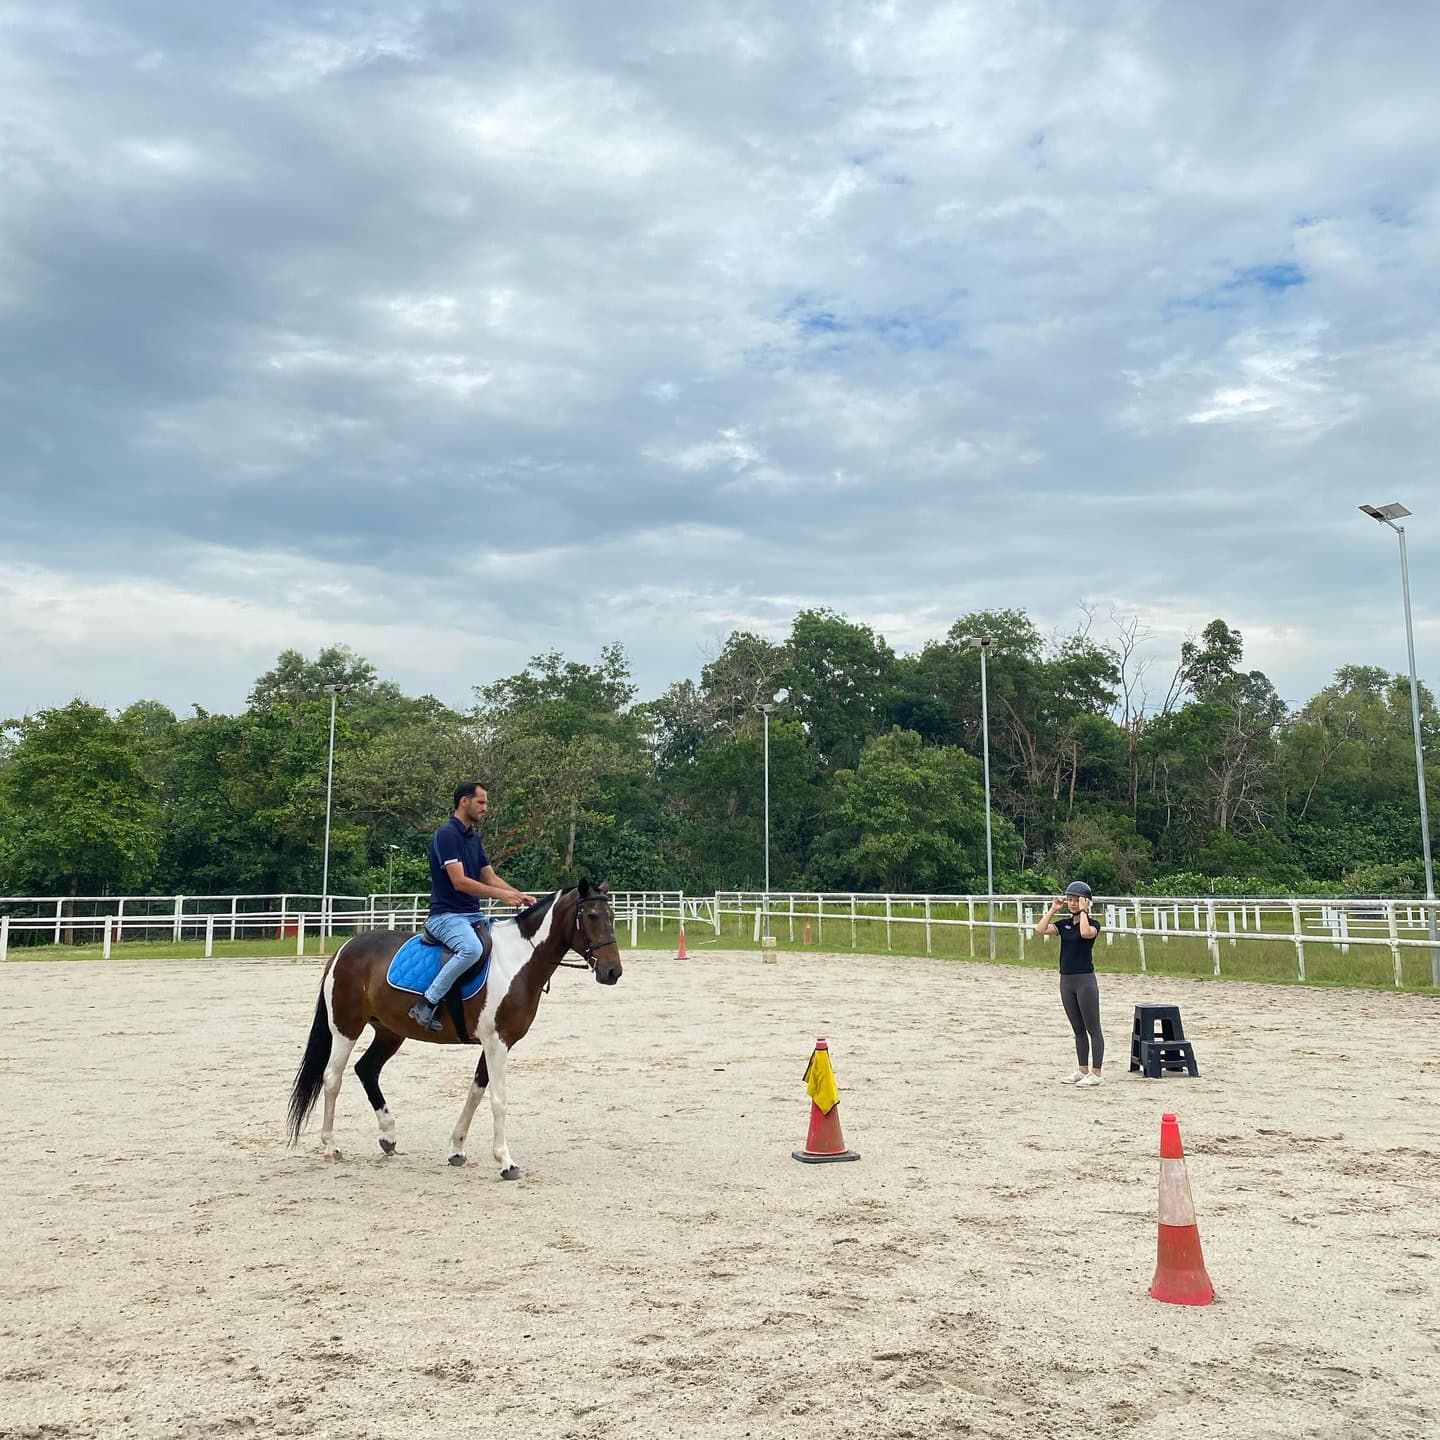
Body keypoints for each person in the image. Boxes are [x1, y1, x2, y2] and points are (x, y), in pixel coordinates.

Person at [408, 782, 536, 1032]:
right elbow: (460, 881)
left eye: (486, 803)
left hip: (472, 915)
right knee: (470, 949)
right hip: (446, 916)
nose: (485, 808)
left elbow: (489, 878)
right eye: (481, 802)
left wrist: (517, 895)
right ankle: (427, 1002)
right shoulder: (446, 835)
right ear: (464, 801)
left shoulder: (473, 838)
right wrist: (500, 895)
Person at [1034, 880, 1105, 1087]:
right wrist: (1054, 908)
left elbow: (1084, 933)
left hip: (1085, 980)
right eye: (1071, 900)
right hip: (1067, 980)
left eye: (1077, 900)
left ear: (1086, 902)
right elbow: (1041, 929)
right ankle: (1082, 1069)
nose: (1073, 903)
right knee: (1078, 1029)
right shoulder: (1064, 925)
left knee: (1093, 1028)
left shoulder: (1093, 924)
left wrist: (1084, 912)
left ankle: (1096, 1072)